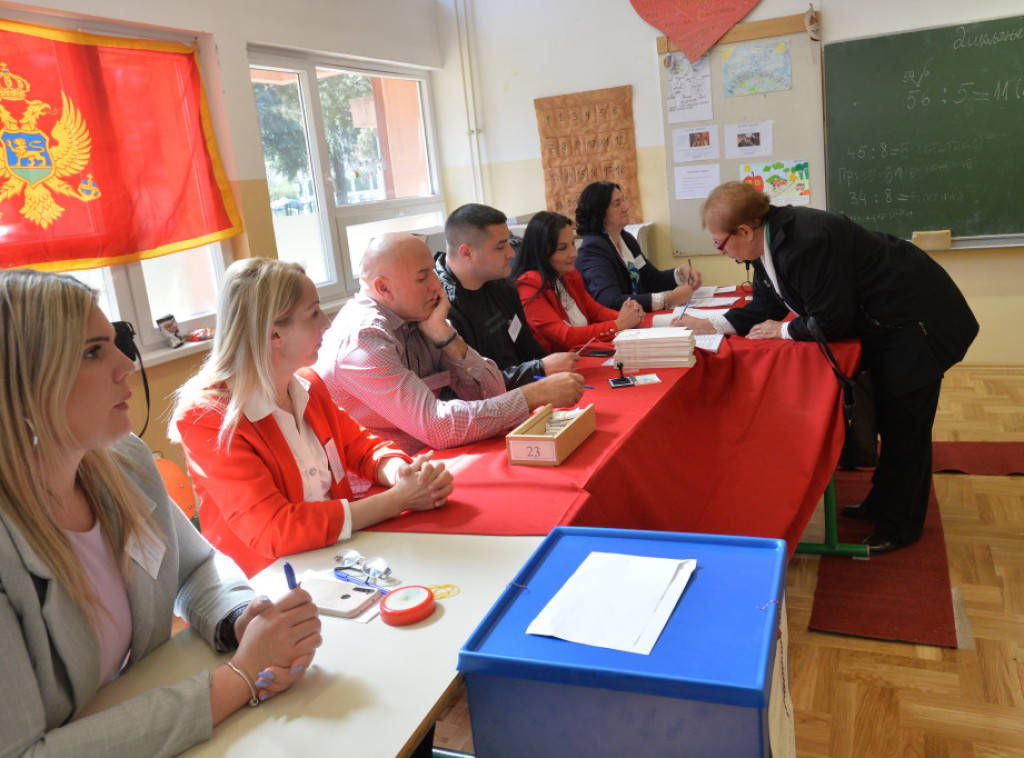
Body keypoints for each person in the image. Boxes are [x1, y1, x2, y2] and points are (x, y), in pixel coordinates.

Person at [0, 269, 322, 756]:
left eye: (115, 341)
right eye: (93, 352)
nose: (125, 364)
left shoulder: (123, 461)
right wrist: (239, 678)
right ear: (23, 383)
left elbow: (194, 566)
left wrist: (238, 619)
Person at [678, 180, 978, 555]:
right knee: (889, 418)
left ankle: (900, 526)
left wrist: (783, 330)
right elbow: (767, 306)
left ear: (745, 230)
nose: (720, 251)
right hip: (886, 325)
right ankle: (882, 502)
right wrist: (713, 325)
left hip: (917, 321)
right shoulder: (765, 243)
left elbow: (832, 320)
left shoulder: (806, 241)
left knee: (905, 424)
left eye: (720, 243)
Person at [171, 258, 453, 577]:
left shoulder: (307, 384)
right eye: (314, 312)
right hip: (268, 585)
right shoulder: (206, 417)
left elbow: (363, 448)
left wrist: (401, 473)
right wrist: (397, 500)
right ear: (274, 333)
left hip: (341, 559)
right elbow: (274, 530)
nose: (327, 323)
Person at [313, 232, 585, 455]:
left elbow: (492, 392)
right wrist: (532, 395)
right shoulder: (363, 340)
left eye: (433, 272)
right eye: (422, 278)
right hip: (383, 486)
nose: (437, 285)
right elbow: (437, 427)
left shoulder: (422, 317)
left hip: (428, 464)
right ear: (383, 288)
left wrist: (445, 337)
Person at [436, 203, 579, 389]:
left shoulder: (503, 287)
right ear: (467, 253)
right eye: (500, 247)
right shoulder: (442, 309)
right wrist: (540, 368)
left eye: (509, 243)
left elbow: (527, 347)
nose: (511, 253)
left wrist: (553, 367)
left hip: (525, 392)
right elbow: (473, 385)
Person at [512, 210, 644, 352]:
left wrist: (630, 315)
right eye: (563, 248)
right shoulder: (528, 286)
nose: (574, 253)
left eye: (573, 243)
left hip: (585, 354)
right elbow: (566, 337)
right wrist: (619, 324)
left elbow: (595, 311)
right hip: (562, 363)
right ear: (540, 251)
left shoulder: (568, 274)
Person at [574, 181, 701, 311]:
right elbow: (610, 302)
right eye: (617, 204)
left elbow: (652, 280)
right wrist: (667, 299)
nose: (626, 207)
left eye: (623, 200)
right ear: (600, 213)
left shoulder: (625, 239)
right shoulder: (593, 250)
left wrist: (680, 274)